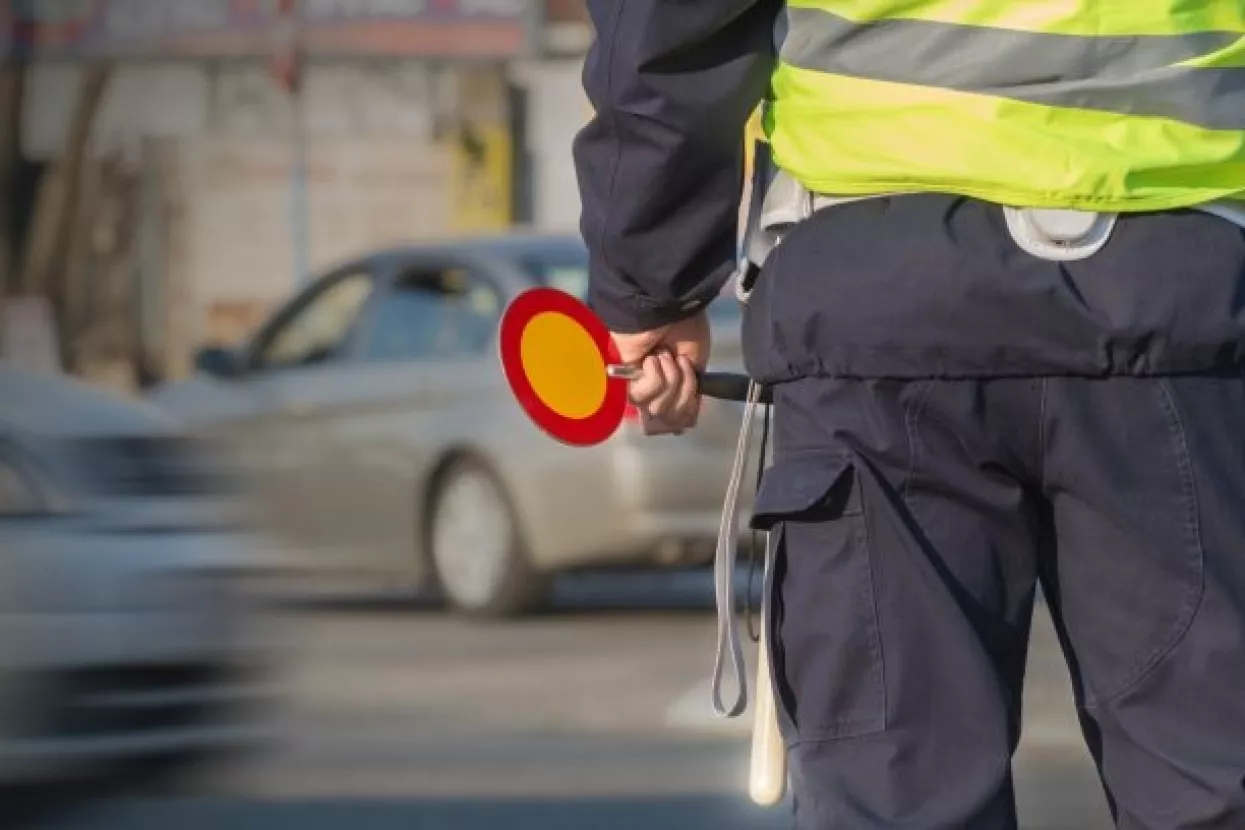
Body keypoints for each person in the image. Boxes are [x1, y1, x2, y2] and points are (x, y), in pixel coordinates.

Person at [571, 2, 1245, 828]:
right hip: (1186, 290)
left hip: (875, 295)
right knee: (1216, 774)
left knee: (898, 789)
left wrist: (652, 275)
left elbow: (670, 27)